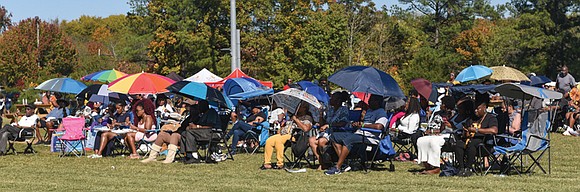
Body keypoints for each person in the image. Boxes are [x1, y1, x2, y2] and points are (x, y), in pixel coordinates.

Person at [325, 95, 388, 175]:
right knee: (334, 136)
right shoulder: (369, 111)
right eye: (369, 100)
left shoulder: (381, 112)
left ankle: (338, 167)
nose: (369, 102)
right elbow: (362, 122)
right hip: (359, 133)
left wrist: (363, 126)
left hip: (370, 137)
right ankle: (344, 164)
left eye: (372, 100)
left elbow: (379, 127)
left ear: (378, 102)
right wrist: (358, 121)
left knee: (349, 140)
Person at [453, 94, 498, 177]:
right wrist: (466, 132)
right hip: (470, 140)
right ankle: (462, 168)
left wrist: (477, 130)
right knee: (458, 144)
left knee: (473, 143)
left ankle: (469, 168)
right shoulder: (472, 118)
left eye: (478, 109)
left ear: (484, 108)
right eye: (475, 109)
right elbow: (466, 132)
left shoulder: (490, 117)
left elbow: (494, 130)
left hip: (484, 143)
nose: (475, 111)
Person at [261, 102, 313, 169]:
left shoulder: (307, 117)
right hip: (283, 133)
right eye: (298, 105)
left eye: (300, 106)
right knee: (269, 140)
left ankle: (280, 163)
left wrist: (296, 120)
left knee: (278, 141)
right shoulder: (294, 115)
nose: (297, 107)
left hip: (294, 135)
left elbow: (306, 129)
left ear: (305, 108)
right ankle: (267, 163)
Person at [414, 96, 456, 175]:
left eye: (442, 103)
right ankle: (427, 165)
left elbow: (457, 127)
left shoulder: (454, 114)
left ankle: (436, 167)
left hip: (450, 135)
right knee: (421, 140)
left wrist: (450, 125)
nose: (440, 105)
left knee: (434, 141)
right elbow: (436, 128)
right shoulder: (438, 114)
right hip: (440, 134)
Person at [309, 93, 349, 170]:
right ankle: (322, 163)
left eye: (332, 98)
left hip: (337, 132)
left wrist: (329, 125)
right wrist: (321, 114)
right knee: (311, 140)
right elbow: (323, 123)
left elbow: (343, 123)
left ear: (338, 101)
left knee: (321, 141)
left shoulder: (344, 110)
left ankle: (329, 161)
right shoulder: (329, 110)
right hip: (326, 132)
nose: (330, 99)